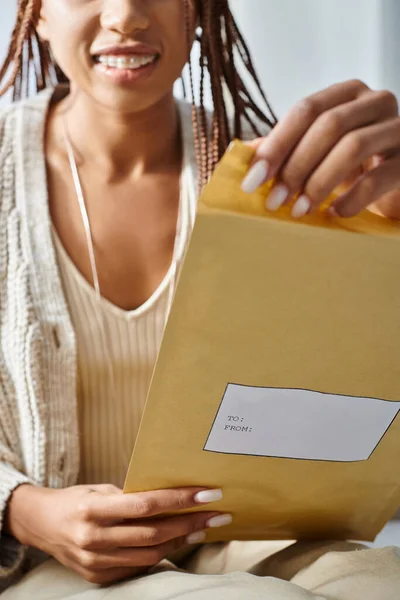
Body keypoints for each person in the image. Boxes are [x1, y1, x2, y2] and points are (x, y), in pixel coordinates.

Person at [0, 0, 399, 598]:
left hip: (258, 533)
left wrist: (387, 232)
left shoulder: (283, 180)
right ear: (36, 13)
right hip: (44, 562)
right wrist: (23, 510)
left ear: (200, 11)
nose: (127, 16)